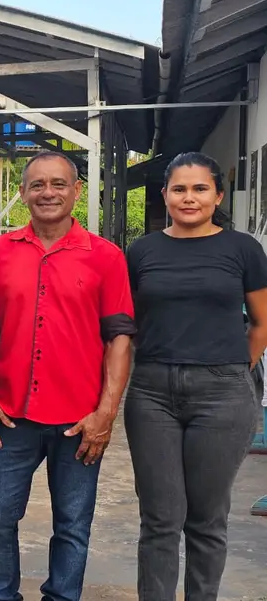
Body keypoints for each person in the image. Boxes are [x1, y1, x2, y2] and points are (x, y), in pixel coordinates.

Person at [0, 150, 136, 601]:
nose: (48, 192)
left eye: (59, 184)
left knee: (72, 524)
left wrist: (106, 412)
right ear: (23, 193)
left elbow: (120, 338)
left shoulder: (104, 257)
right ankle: (1, 595)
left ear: (76, 191)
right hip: (9, 416)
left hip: (79, 420)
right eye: (38, 184)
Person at [124, 152, 267, 601]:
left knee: (207, 519)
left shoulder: (243, 249)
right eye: (179, 189)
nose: (189, 198)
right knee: (160, 519)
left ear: (218, 195)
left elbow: (261, 322)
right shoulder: (142, 250)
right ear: (164, 194)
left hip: (222, 394)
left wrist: (231, 370)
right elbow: (128, 324)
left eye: (200, 188)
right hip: (151, 393)